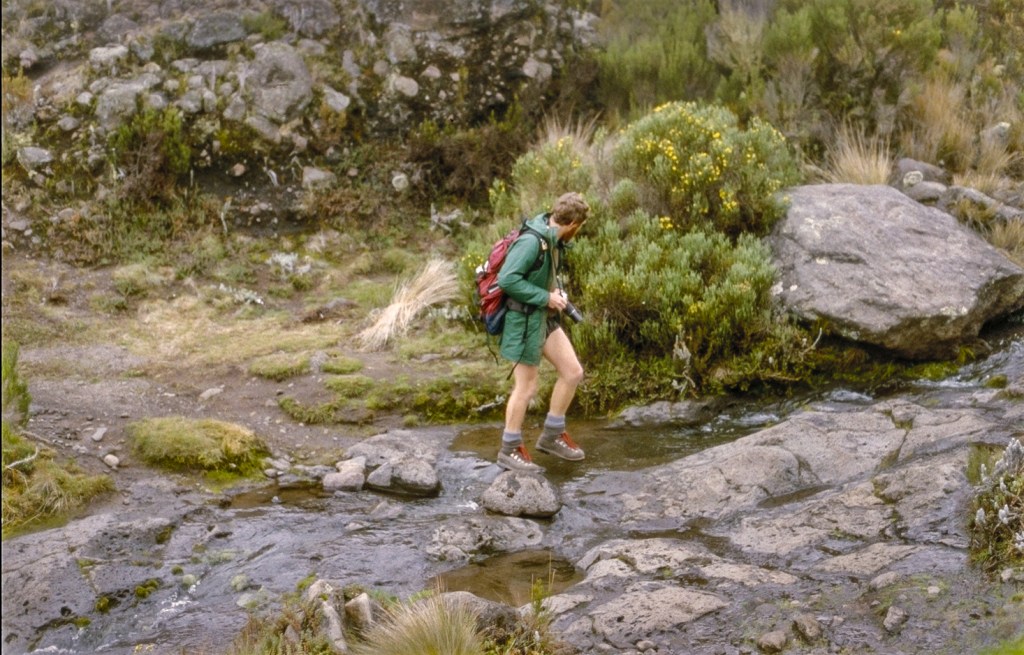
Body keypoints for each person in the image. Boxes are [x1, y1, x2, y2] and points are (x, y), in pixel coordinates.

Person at [495, 191, 589, 472]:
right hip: (523, 321)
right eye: (580, 227)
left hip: (543, 318)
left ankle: (552, 435)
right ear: (572, 224)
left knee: (572, 372)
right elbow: (507, 279)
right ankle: (509, 449)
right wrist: (546, 297)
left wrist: (554, 293)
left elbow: (538, 276)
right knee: (526, 387)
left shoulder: (553, 240)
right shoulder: (531, 242)